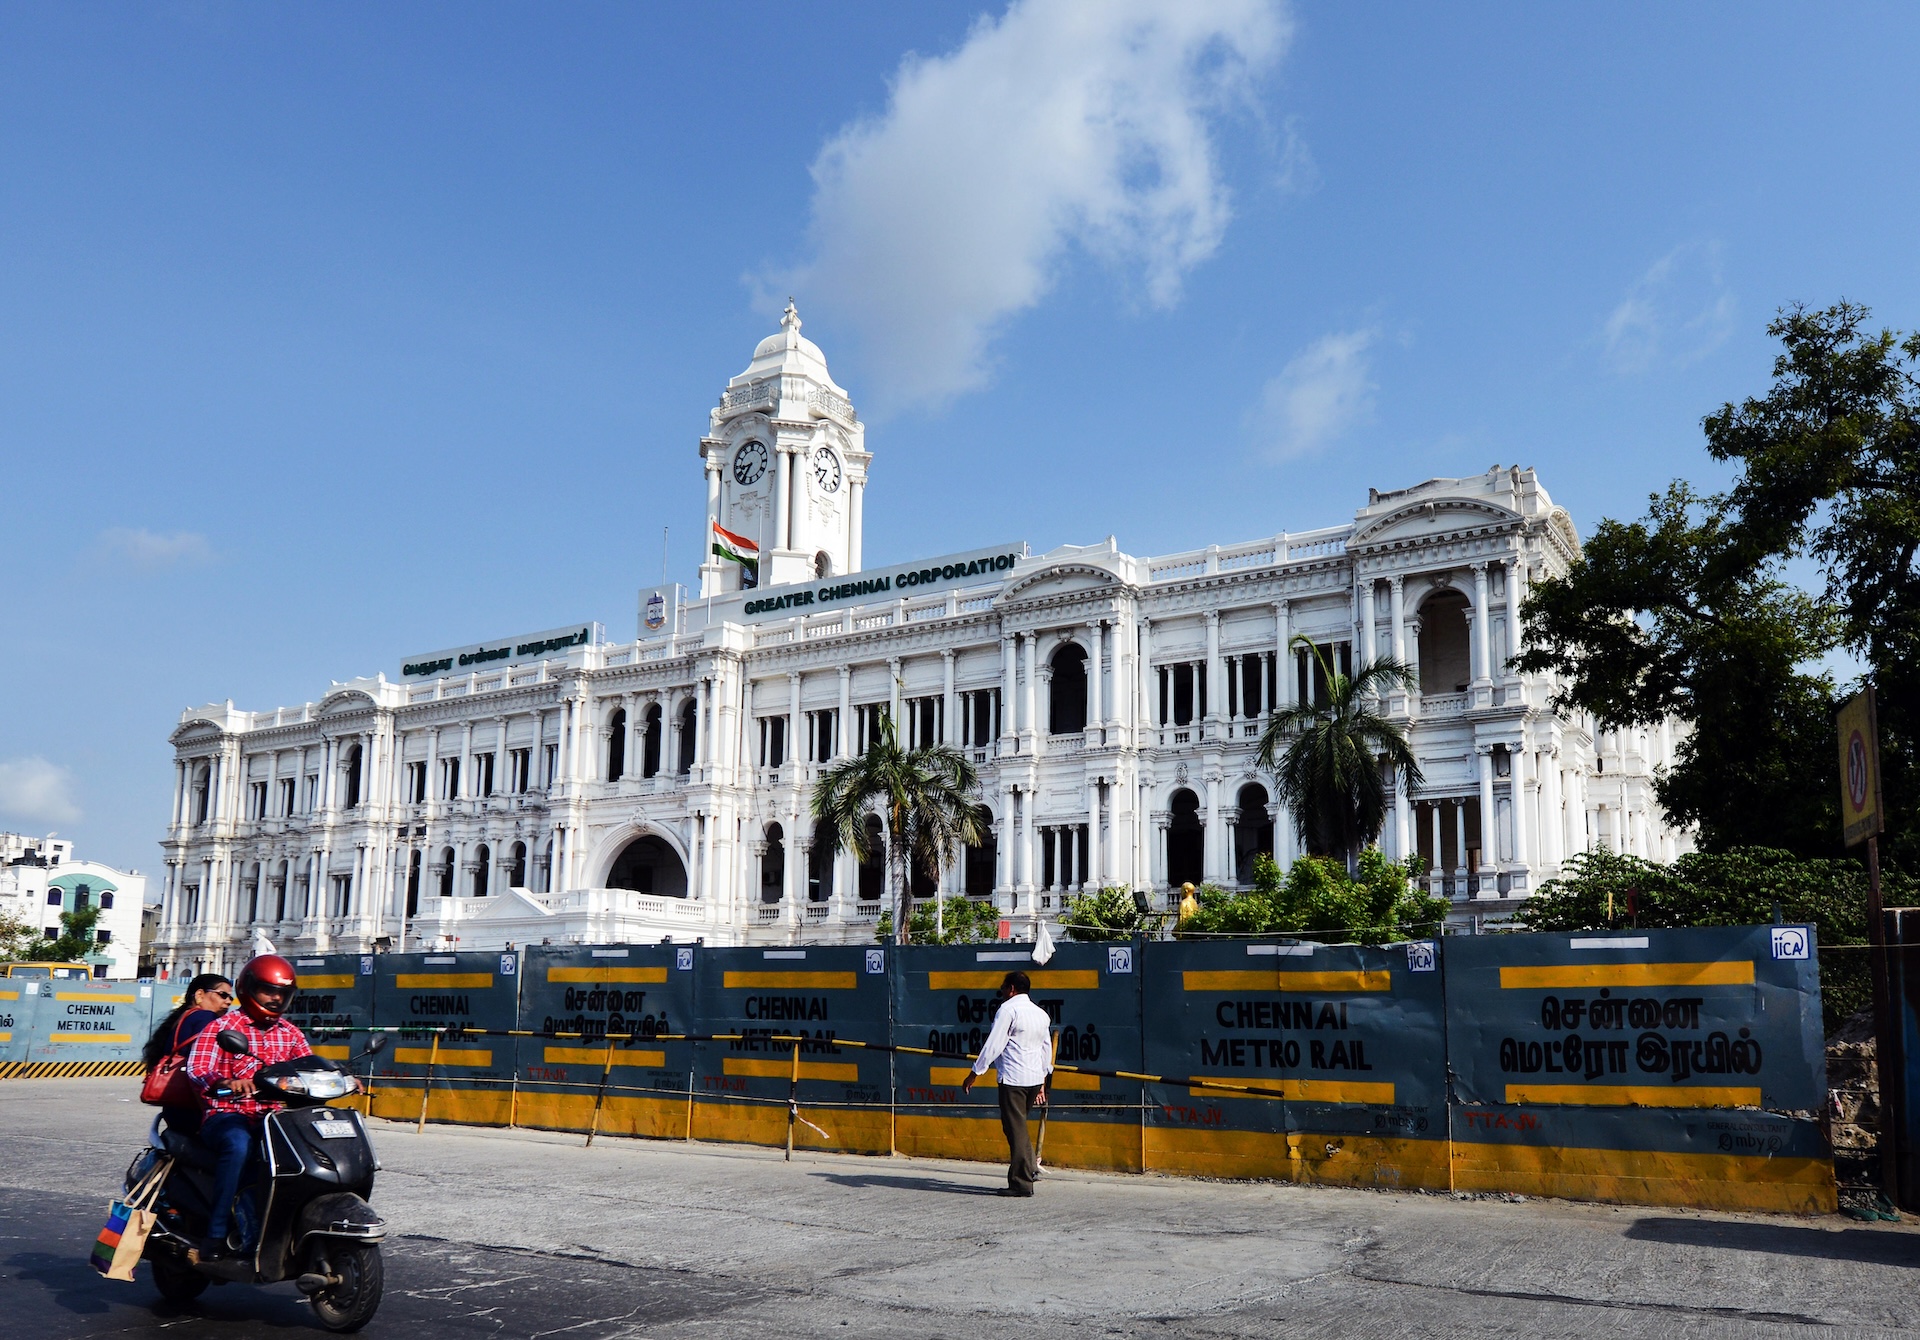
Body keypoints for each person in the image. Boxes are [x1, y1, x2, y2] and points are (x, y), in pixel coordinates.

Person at [184, 953, 314, 1258]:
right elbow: (198, 1068)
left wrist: (344, 1077)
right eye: (269, 991)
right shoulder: (223, 1027)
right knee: (239, 1146)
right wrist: (226, 1082)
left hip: (277, 1118)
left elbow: (309, 1066)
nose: (275, 998)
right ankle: (216, 1234)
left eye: (282, 993)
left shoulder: (290, 1033)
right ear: (249, 989)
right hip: (229, 1115)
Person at [961, 971, 1054, 1198]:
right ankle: (1029, 1167)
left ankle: (1021, 1183)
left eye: (1003, 987)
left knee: (1015, 1129)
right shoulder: (1041, 1014)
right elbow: (1046, 1050)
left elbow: (994, 1044)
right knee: (1016, 1127)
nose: (1002, 991)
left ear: (1011, 988)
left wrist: (975, 1072)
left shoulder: (1008, 1010)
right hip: (1033, 1079)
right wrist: (1042, 1081)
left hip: (1014, 1079)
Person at [141, 973, 233, 1136]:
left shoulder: (183, 1017)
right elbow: (202, 1063)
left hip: (174, 1105)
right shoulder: (205, 1017)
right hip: (193, 1105)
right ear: (199, 995)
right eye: (222, 995)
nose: (227, 1001)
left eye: (230, 998)